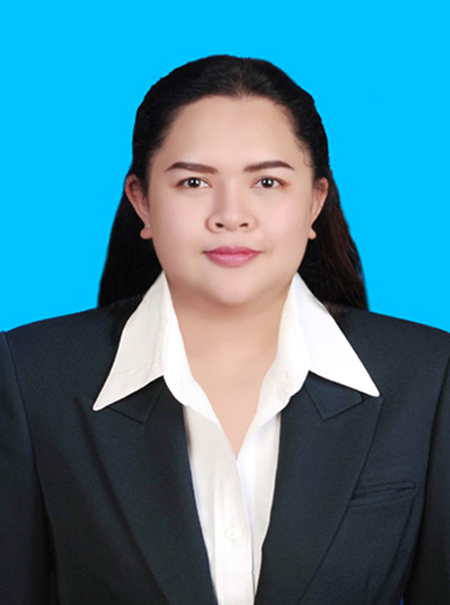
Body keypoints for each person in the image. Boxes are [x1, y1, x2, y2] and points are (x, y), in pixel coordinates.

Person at [1, 55, 449, 605]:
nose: (231, 215)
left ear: (315, 201)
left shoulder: (428, 376)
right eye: (193, 181)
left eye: (267, 181)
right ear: (142, 200)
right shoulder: (30, 376)